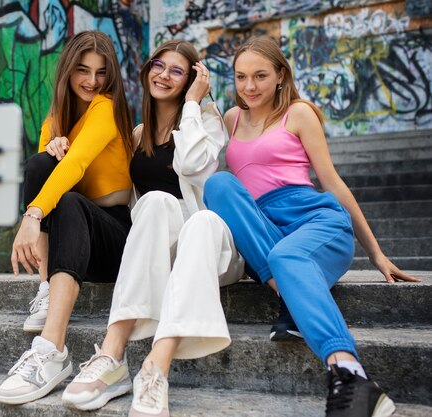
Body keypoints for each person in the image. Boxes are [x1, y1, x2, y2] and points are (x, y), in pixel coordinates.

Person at [203, 35, 421, 417]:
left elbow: (333, 183)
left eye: (260, 76)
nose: (249, 87)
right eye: (240, 77)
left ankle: (351, 375)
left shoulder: (299, 113)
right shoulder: (232, 119)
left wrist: (376, 253)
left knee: (288, 256)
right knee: (219, 184)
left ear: (280, 76)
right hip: (264, 233)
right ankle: (291, 290)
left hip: (315, 222)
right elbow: (189, 145)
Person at [60, 40, 245, 417]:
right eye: (159, 65)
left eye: (177, 71)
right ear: (147, 70)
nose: (164, 75)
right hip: (163, 247)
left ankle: (155, 368)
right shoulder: (139, 134)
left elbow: (194, 166)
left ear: (192, 78)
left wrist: (194, 102)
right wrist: (58, 140)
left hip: (209, 248)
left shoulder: (208, 120)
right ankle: (112, 355)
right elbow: (110, 185)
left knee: (204, 221)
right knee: (156, 201)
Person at [0, 30, 134, 405]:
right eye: (83, 70)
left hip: (114, 236)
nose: (91, 81)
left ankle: (52, 351)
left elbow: (77, 164)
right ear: (68, 71)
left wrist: (31, 216)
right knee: (41, 163)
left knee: (68, 200)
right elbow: (45, 174)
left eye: (101, 73)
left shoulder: (106, 107)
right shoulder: (55, 117)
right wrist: (53, 146)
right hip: (75, 242)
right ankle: (46, 287)